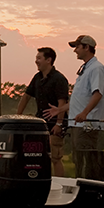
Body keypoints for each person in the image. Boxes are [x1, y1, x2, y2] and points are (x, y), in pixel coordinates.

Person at [46, 35, 104, 155]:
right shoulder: (86, 69)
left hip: (87, 125)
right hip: (78, 124)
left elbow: (98, 94)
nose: (75, 50)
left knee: (85, 159)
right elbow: (78, 99)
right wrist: (60, 110)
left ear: (87, 47)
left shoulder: (96, 68)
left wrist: (84, 113)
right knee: (78, 159)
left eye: (77, 47)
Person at [16, 47, 69, 177]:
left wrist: (59, 124)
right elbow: (26, 96)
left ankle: (59, 185)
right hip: (40, 124)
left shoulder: (59, 79)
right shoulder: (37, 78)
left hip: (54, 125)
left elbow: (62, 102)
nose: (36, 61)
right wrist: (18, 116)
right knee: (39, 156)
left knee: (55, 157)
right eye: (36, 58)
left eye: (39, 58)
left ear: (49, 60)